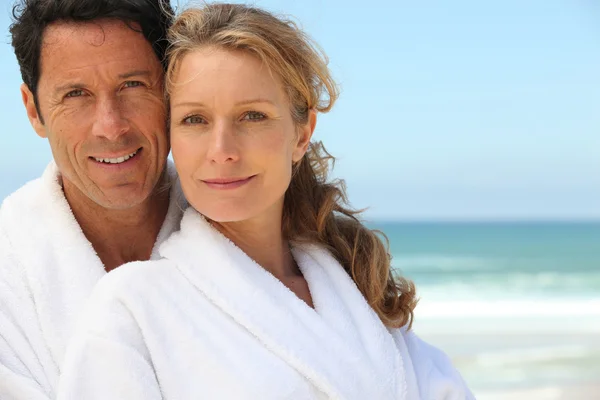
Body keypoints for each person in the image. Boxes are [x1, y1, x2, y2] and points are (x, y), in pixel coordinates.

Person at [57, 4, 475, 400]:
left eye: (251, 116)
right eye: (195, 120)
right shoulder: (131, 308)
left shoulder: (354, 287)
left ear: (301, 133)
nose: (221, 150)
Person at [0, 1, 182, 399]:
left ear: (172, 90)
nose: (111, 127)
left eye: (132, 85)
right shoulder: (7, 275)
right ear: (34, 111)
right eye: (76, 94)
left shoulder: (249, 235)